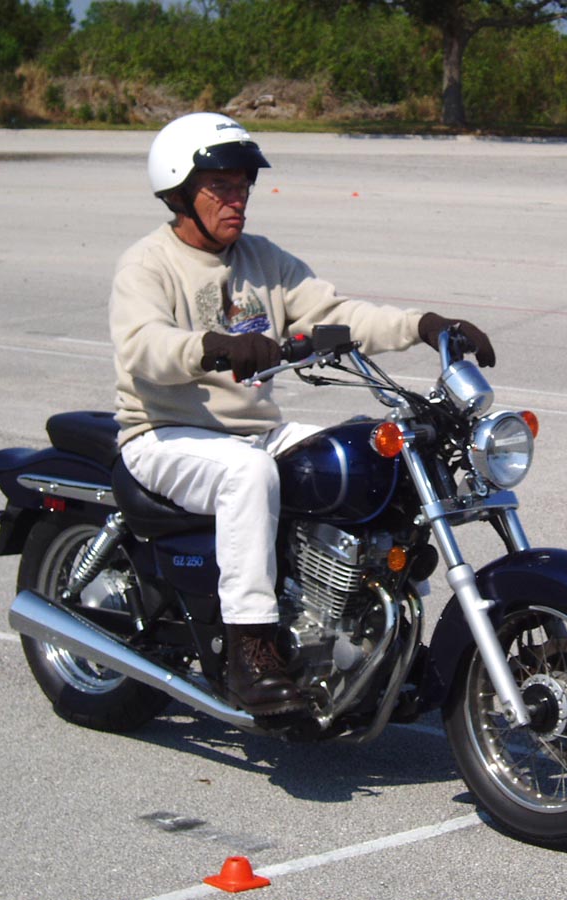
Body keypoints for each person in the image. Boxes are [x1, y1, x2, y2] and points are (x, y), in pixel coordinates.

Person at [109, 113, 495, 717]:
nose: (237, 199)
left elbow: (336, 314)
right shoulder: (148, 264)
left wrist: (424, 325)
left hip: (254, 432)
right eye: (221, 187)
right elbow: (142, 345)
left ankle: (386, 637)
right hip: (163, 434)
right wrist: (212, 346)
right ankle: (251, 651)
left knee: (378, 457)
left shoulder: (263, 260)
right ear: (180, 191)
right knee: (249, 476)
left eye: (243, 186)